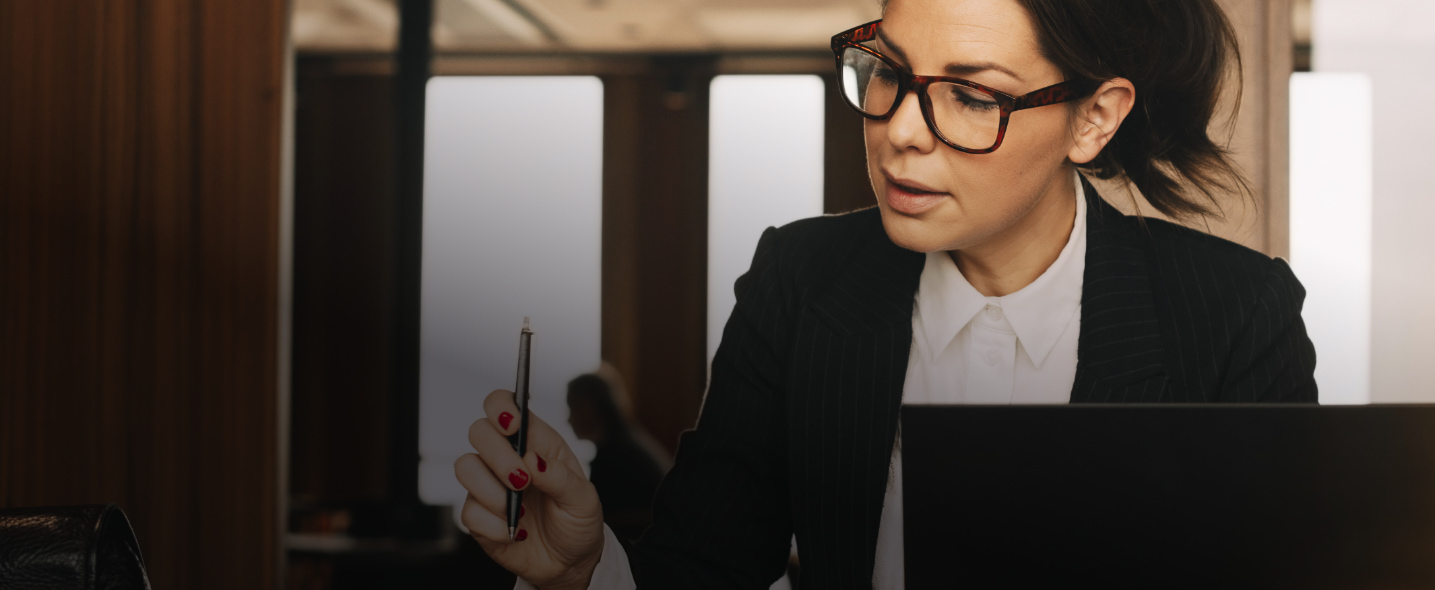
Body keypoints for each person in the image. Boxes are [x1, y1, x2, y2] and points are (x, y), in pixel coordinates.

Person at [454, 0, 1317, 588]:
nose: (900, 128)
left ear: (1094, 118)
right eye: (889, 70)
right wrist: (584, 568)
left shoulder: (1237, 314)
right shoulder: (800, 281)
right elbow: (701, 572)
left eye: (973, 95)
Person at [563, 366, 673, 547]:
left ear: (587, 407)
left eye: (572, 407)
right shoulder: (628, 440)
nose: (569, 419)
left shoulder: (613, 456)